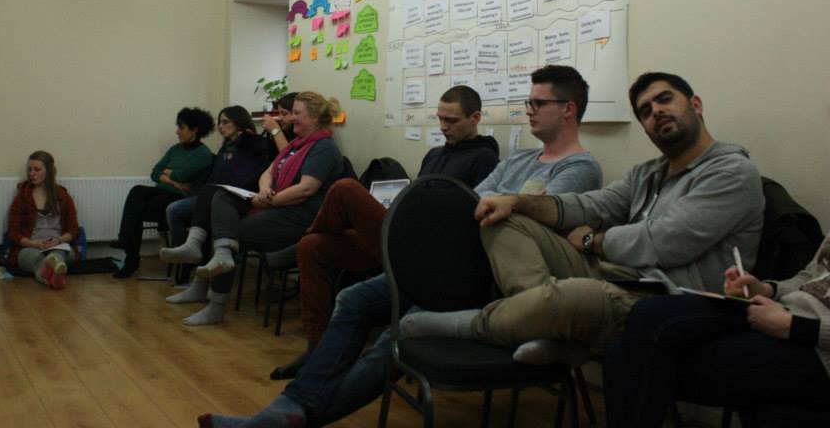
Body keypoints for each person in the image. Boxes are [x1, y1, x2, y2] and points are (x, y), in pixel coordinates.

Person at [199, 66, 604, 428]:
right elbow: (471, 205)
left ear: (568, 109)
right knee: (352, 296)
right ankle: (290, 408)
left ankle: (290, 416)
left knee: (395, 335)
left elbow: (528, 215)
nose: (529, 110)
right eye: (528, 102)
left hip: (484, 278)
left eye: (538, 103)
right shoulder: (518, 161)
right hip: (441, 257)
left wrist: (498, 204)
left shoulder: (579, 167)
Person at [401, 71, 765, 368]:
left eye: (665, 100)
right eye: (645, 110)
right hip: (611, 273)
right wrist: (516, 202)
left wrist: (594, 241)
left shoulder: (731, 171)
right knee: (504, 218)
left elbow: (663, 242)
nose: (655, 111)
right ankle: (547, 329)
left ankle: (472, 325)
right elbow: (593, 205)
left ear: (696, 105)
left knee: (571, 295)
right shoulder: (647, 173)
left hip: (663, 298)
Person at [270, 83, 501, 379]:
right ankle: (316, 348)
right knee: (312, 246)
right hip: (405, 233)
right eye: (440, 119)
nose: (444, 126)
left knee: (345, 188)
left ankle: (302, 239)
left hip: (428, 251)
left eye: (452, 120)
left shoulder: (485, 159)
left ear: (476, 118)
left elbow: (466, 218)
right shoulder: (434, 155)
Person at [604, 234, 830, 428]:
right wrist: (766, 289)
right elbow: (812, 275)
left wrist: (794, 326)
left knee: (629, 356)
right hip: (783, 311)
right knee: (646, 316)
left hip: (815, 343)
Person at [180, 92, 345, 326]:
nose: (291, 118)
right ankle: (206, 278)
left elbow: (306, 189)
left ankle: (215, 304)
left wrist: (269, 201)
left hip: (298, 218)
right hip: (275, 206)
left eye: (296, 113)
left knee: (228, 233)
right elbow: (269, 171)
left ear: (315, 118)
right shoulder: (296, 145)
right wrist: (265, 188)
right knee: (221, 198)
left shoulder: (324, 147)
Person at [160, 106, 270, 297]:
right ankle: (192, 253)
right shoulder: (225, 147)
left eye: (225, 122)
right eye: (219, 122)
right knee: (184, 206)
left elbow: (245, 175)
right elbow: (216, 178)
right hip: (217, 195)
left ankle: (193, 251)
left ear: (239, 123)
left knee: (202, 200)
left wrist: (245, 138)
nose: (220, 126)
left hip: (241, 197)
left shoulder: (254, 142)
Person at [112, 107, 215, 278]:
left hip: (180, 200)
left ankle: (130, 258)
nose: (177, 132)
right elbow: (155, 172)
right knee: (137, 191)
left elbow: (182, 175)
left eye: (181, 128)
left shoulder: (204, 154)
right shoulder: (175, 149)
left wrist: (168, 173)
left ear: (195, 130)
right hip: (162, 193)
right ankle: (126, 241)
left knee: (136, 212)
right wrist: (173, 180)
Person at [5, 151, 80, 289]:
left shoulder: (63, 196)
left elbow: (74, 230)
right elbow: (13, 233)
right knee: (35, 259)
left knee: (58, 255)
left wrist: (59, 240)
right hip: (31, 247)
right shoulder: (22, 198)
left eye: (37, 169)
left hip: (58, 245)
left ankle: (48, 273)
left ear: (48, 171)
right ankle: (54, 276)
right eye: (29, 170)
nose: (32, 173)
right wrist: (33, 243)